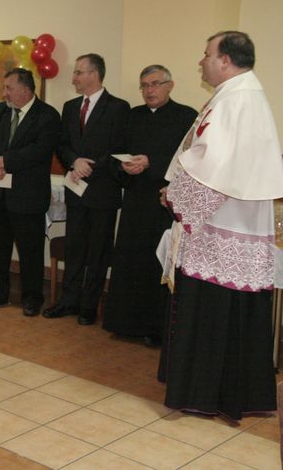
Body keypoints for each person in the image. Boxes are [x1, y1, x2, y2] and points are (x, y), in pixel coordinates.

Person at [158, 31, 283, 421]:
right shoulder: (236, 94)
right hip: (224, 219)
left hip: (222, 223)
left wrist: (175, 195)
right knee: (225, 308)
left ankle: (206, 393)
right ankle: (221, 393)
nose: (201, 61)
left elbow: (214, 164)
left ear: (225, 59)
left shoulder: (238, 99)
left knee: (214, 310)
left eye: (207, 54)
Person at [102, 65, 196, 346]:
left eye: (155, 84)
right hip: (134, 201)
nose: (148, 90)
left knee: (156, 264)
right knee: (130, 262)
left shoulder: (186, 116)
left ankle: (156, 330)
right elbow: (113, 153)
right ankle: (124, 324)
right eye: (144, 85)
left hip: (163, 203)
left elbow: (189, 160)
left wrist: (151, 162)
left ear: (170, 85)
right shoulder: (133, 116)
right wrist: (123, 166)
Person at [45, 53, 130, 325]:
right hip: (76, 189)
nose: (74, 78)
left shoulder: (118, 107)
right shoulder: (70, 107)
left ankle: (88, 306)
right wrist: (74, 161)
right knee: (74, 247)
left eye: (78, 72)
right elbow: (61, 144)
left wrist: (89, 166)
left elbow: (119, 149)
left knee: (97, 251)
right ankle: (68, 301)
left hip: (102, 191)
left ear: (94, 74)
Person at [0, 69, 61, 315]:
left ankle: (32, 298)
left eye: (9, 88)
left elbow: (40, 150)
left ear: (25, 90)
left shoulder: (47, 115)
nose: (4, 93)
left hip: (28, 195)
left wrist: (5, 161)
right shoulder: (1, 111)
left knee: (30, 251)